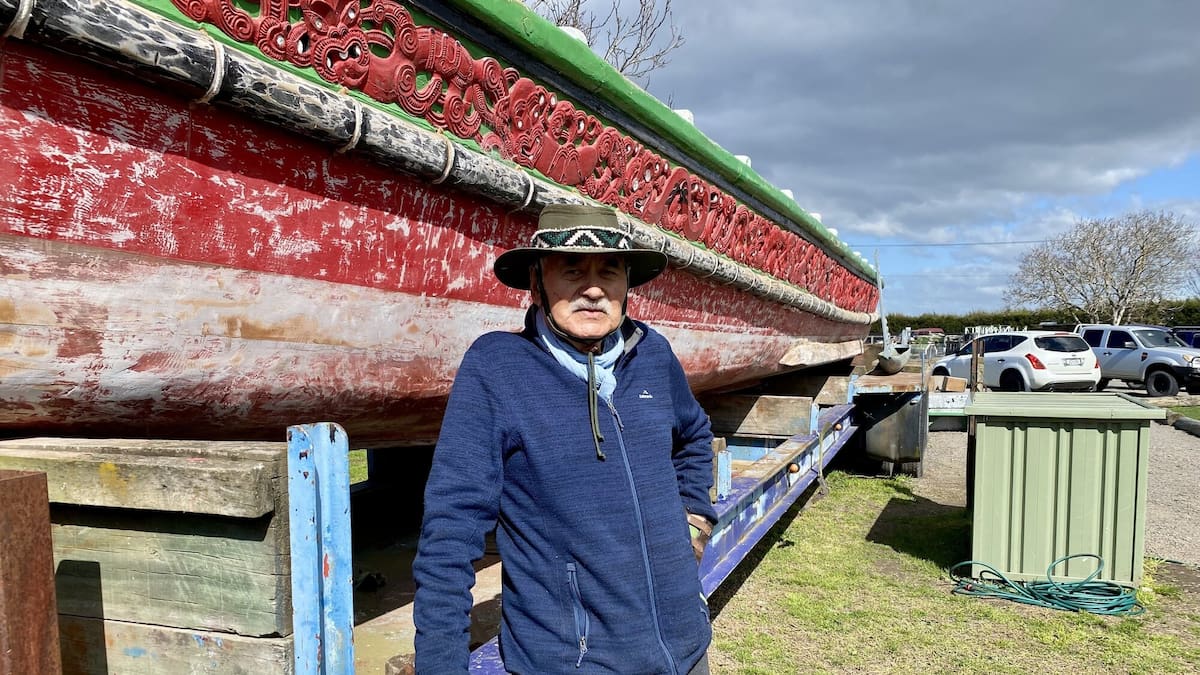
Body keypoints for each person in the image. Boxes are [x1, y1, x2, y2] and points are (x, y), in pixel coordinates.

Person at [412, 203, 718, 673]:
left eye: (609, 271)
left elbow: (694, 433)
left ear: (627, 284)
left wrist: (693, 522)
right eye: (571, 270)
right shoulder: (496, 368)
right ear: (536, 282)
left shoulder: (652, 352)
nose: (593, 289)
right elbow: (451, 531)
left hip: (687, 649)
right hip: (571, 662)